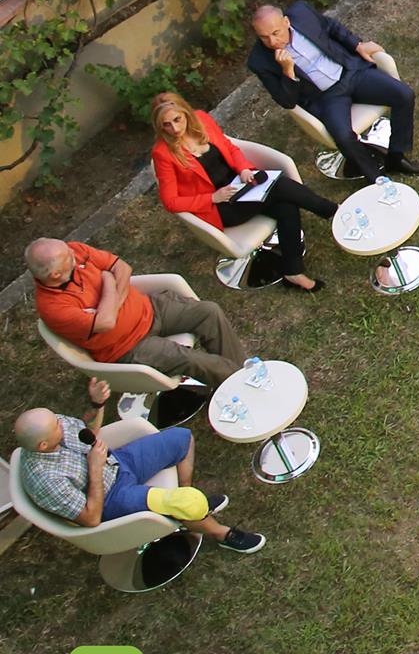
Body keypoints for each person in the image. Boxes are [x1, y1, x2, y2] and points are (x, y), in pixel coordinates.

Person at [14, 377, 264, 554]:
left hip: (117, 462)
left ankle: (186, 500)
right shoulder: (45, 480)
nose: (61, 422)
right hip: (110, 498)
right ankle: (222, 534)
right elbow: (91, 518)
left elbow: (87, 431)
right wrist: (95, 469)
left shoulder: (52, 428)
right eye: (56, 425)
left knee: (183, 439)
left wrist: (97, 404)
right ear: (43, 445)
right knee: (184, 504)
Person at [149, 92, 336, 293]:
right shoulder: (163, 153)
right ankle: (334, 212)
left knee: (286, 206)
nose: (175, 129)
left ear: (186, 113)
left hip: (240, 184)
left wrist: (243, 169)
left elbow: (230, 148)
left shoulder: (202, 119)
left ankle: (293, 272)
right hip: (221, 206)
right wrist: (212, 197)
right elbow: (170, 201)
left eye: (177, 120)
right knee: (281, 187)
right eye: (166, 125)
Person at [247, 2, 419, 181]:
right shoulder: (259, 61)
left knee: (404, 95)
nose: (272, 42)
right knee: (343, 137)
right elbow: (286, 101)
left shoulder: (302, 13)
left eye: (275, 33)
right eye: (264, 37)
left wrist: (357, 44)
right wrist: (288, 71)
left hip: (350, 72)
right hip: (325, 97)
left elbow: (331, 27)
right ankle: (377, 177)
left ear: (286, 22)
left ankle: (396, 157)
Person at [28, 238, 247, 384]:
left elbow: (122, 268)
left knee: (209, 311)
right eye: (69, 258)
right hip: (128, 347)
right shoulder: (53, 308)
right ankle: (245, 383)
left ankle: (244, 375)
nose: (73, 253)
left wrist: (112, 301)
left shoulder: (75, 249)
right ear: (55, 275)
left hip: (150, 308)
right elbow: (106, 323)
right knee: (192, 360)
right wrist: (108, 283)